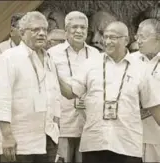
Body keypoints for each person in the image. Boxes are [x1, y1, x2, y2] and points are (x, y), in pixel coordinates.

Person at [58, 21, 160, 163]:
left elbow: (156, 108)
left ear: (126, 40)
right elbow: (70, 93)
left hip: (127, 145)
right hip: (94, 143)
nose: (107, 41)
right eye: (105, 37)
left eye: (113, 37)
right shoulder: (90, 64)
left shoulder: (141, 69)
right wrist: (54, 74)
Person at [0, 11, 61, 163]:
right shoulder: (9, 58)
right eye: (36, 30)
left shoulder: (50, 59)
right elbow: (1, 99)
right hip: (19, 140)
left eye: (45, 29)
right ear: (22, 33)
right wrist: (7, 136)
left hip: (48, 138)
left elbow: (55, 96)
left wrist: (57, 129)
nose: (42, 33)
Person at [48, 11, 100, 163]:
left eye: (83, 28)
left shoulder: (95, 54)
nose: (79, 31)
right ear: (66, 31)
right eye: (74, 27)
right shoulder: (52, 54)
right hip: (63, 123)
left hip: (88, 123)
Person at [131, 18, 160, 162]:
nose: (139, 41)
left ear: (158, 38)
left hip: (157, 133)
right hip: (132, 134)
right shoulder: (130, 60)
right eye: (137, 36)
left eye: (143, 37)